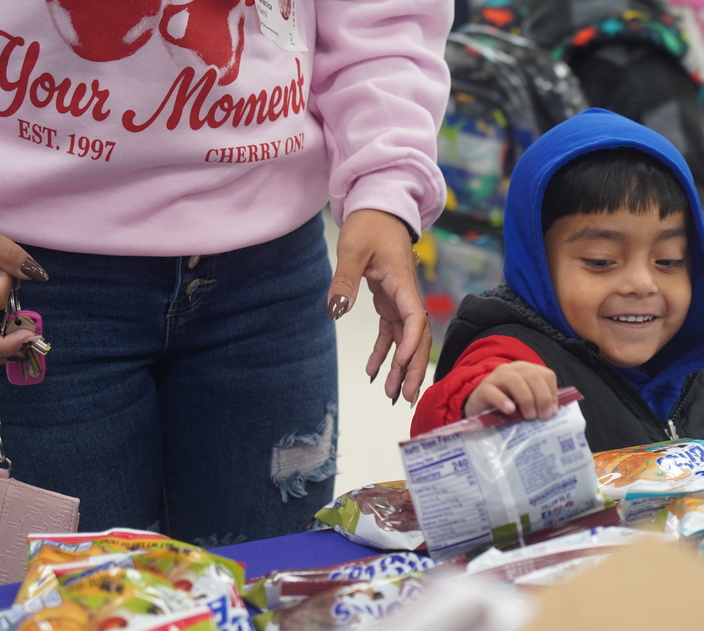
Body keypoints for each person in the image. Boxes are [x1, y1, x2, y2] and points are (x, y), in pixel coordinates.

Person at [0, 1, 451, 546]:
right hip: (38, 281)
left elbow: (382, 13)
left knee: (268, 595)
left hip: (270, 272)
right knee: (71, 612)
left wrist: (386, 184)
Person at [411, 108, 704, 452]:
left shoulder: (693, 374)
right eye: (601, 261)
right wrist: (478, 401)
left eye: (668, 260)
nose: (641, 283)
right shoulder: (516, 356)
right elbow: (439, 423)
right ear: (538, 264)